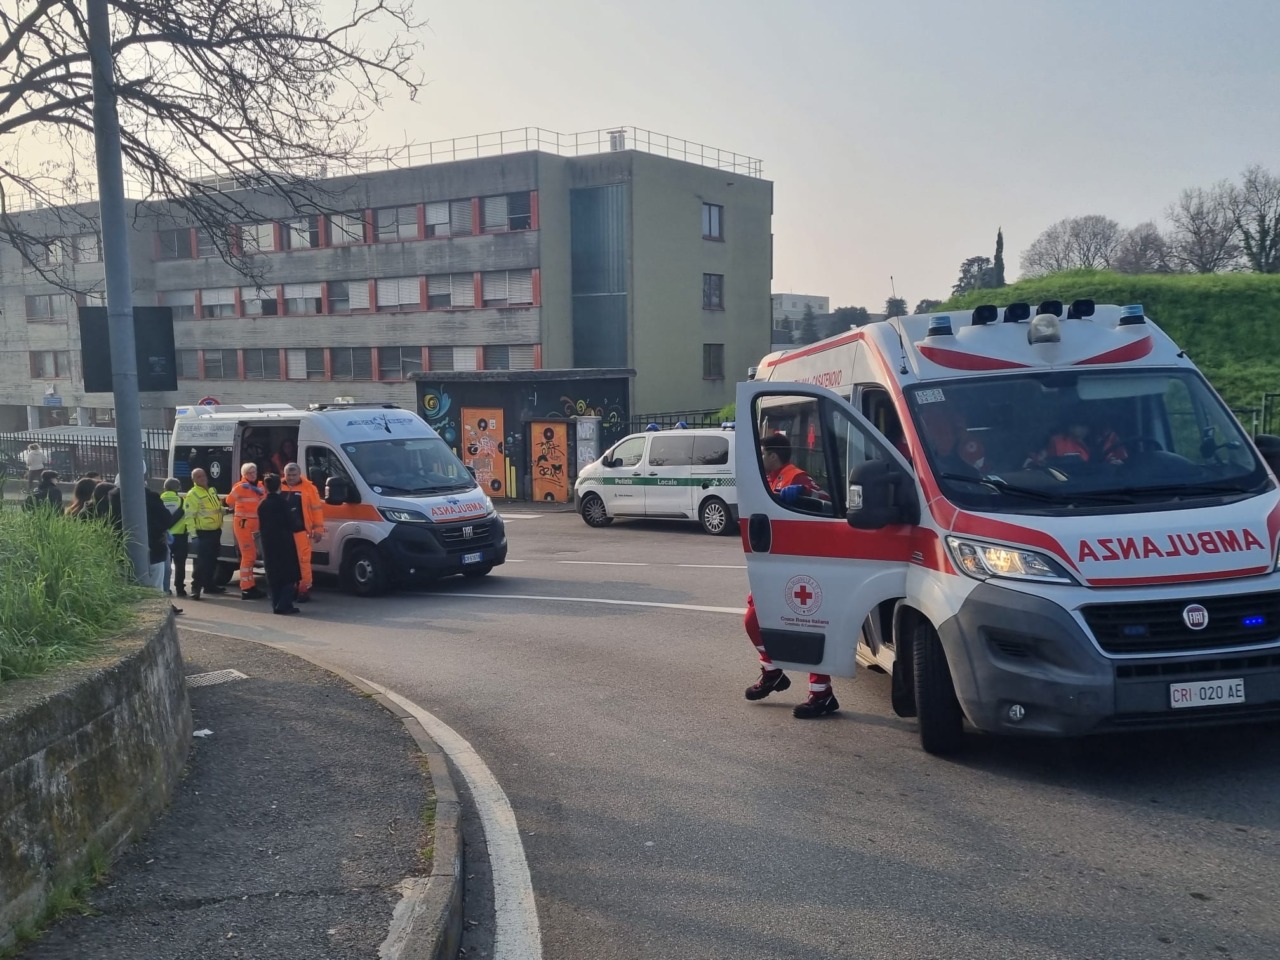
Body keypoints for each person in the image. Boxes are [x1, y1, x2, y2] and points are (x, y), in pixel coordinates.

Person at [744, 434, 839, 719]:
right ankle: (772, 672)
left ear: (773, 455)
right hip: (774, 563)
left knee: (809, 625)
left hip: (801, 564)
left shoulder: (797, 477)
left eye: (763, 453)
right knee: (753, 621)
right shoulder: (771, 479)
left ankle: (822, 694)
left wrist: (805, 495)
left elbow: (828, 502)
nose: (760, 458)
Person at [257, 473, 302, 615]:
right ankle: (284, 604)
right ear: (279, 486)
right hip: (284, 543)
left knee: (274, 575)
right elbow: (292, 523)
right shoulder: (283, 503)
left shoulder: (262, 504)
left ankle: (276, 604)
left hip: (268, 543)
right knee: (289, 575)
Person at [282, 462, 324, 602]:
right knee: (287, 561)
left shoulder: (309, 488)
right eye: (289, 475)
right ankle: (290, 587)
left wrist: (318, 530)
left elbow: (316, 510)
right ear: (284, 474)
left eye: (294, 475)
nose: (291, 478)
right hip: (283, 532)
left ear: (299, 474)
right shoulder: (279, 485)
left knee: (303, 561)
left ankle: (303, 589)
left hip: (300, 531)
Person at [223, 463, 267, 600]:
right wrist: (241, 490)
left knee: (252, 556)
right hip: (243, 525)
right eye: (250, 473)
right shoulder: (240, 487)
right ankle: (246, 588)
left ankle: (250, 585)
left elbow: (264, 500)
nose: (253, 475)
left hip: (255, 527)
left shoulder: (260, 486)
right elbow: (228, 501)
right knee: (248, 556)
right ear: (244, 475)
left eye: (254, 472)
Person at [183, 467, 227, 600]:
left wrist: (226, 510)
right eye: (198, 477)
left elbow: (215, 509)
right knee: (202, 563)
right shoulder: (193, 494)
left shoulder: (212, 491)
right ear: (194, 480)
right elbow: (189, 516)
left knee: (212, 560)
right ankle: (195, 588)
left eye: (203, 476)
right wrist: (193, 535)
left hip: (215, 531)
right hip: (203, 533)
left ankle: (209, 586)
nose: (201, 478)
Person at [1027, 410, 1127, 467]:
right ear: (1069, 425)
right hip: (1067, 486)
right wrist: (1038, 461)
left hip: (1107, 485)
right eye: (1076, 425)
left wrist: (1116, 464)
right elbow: (1038, 461)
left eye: (1084, 425)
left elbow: (1125, 463)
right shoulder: (1057, 441)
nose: (1080, 429)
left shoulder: (1109, 437)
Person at [161, 478, 194, 597]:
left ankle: (166, 588)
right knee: (180, 564)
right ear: (178, 488)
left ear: (165, 488)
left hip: (164, 536)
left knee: (165, 564)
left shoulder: (160, 499)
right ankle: (180, 589)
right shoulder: (182, 501)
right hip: (180, 537)